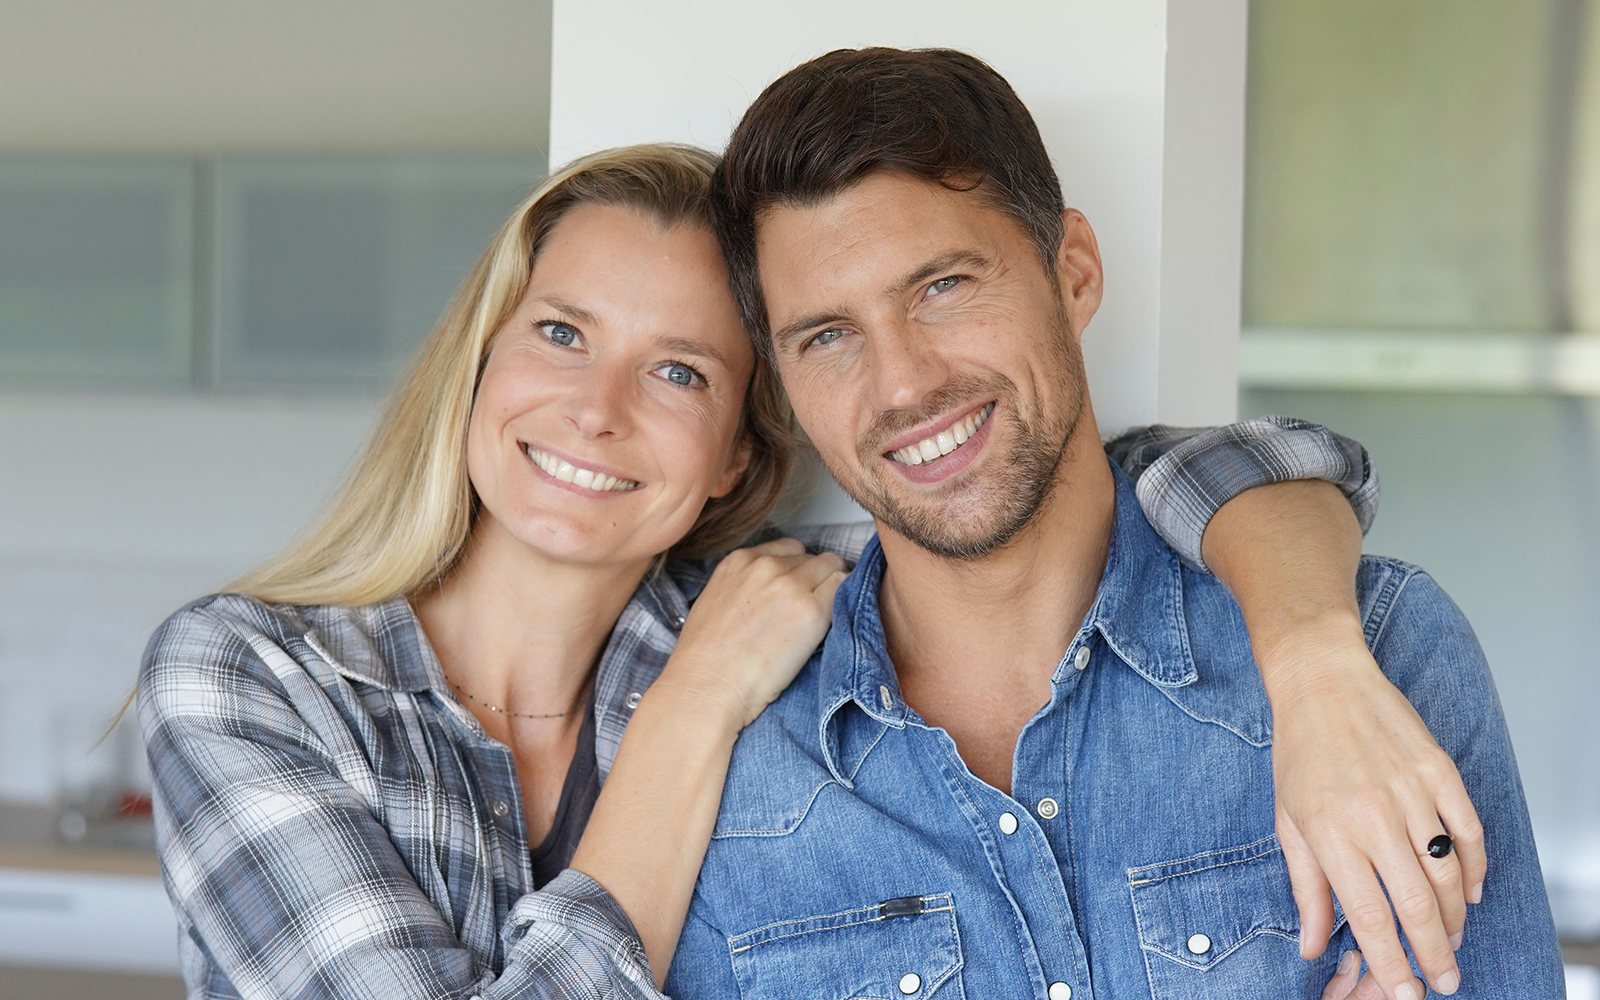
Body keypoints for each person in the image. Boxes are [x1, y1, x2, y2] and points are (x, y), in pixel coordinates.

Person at [141, 146, 1444, 1000]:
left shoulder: (785, 613)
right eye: (560, 333)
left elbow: (1190, 473)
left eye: (678, 372)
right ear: (482, 361)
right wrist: (694, 708)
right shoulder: (250, 675)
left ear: (730, 455)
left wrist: (1315, 656)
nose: (597, 412)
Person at [666, 48, 1564, 1000]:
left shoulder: (1379, 654)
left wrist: (1312, 657)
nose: (905, 385)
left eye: (943, 287)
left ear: (1075, 271)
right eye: (828, 336)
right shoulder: (731, 769)